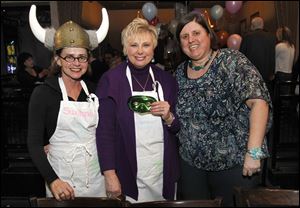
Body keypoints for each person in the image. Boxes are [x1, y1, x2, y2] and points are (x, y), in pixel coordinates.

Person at [175, 12, 272, 206]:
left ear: (209, 35)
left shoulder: (231, 60)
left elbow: (259, 102)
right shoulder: (179, 72)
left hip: (233, 164)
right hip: (191, 166)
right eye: (184, 36)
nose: (191, 40)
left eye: (196, 33)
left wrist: (253, 153)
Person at [26, 5, 109, 201]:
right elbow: (34, 144)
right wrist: (52, 180)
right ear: (58, 59)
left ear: (88, 59)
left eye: (81, 57)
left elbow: (107, 135)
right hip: (61, 183)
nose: (76, 63)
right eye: (69, 57)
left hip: (97, 182)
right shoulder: (43, 93)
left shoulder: (96, 91)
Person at [96, 18, 180, 203]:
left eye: (146, 45)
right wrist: (110, 175)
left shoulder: (167, 80)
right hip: (128, 173)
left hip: (162, 172)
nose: (140, 51)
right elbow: (104, 132)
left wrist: (168, 116)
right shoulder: (111, 81)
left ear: (153, 48)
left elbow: (176, 128)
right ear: (126, 48)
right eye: (134, 45)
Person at [240, 16, 276, 97]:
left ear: (252, 26)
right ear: (262, 25)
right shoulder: (272, 37)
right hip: (267, 75)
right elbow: (273, 56)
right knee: (267, 97)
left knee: (253, 98)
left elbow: (241, 56)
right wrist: (272, 72)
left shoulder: (247, 37)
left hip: (251, 74)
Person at [275, 26, 295, 95]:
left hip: (281, 73)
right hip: (289, 73)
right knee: (286, 95)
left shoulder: (280, 46)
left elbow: (273, 58)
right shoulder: (292, 46)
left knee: (279, 96)